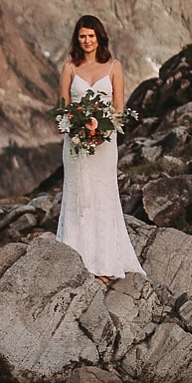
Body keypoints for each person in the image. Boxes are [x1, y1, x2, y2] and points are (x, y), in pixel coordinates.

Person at [55, 16, 146, 283]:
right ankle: (78, 261)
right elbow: (63, 108)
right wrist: (76, 129)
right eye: (82, 36)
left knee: (103, 195)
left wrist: (101, 132)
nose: (86, 41)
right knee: (79, 197)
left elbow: (118, 110)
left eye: (91, 36)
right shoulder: (70, 67)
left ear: (99, 38)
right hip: (76, 145)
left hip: (105, 145)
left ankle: (105, 263)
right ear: (77, 39)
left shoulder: (114, 67)